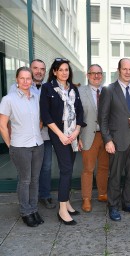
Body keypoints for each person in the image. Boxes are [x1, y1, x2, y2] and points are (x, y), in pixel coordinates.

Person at [98, 58, 130, 221]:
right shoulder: (109, 90)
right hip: (117, 142)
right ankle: (113, 206)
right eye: (124, 69)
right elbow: (102, 118)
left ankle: (128, 202)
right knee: (115, 175)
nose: (127, 72)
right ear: (118, 70)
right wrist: (108, 140)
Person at [40, 58, 84, 225]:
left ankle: (66, 202)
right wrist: (61, 135)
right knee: (66, 170)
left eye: (67, 69)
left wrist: (77, 132)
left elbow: (80, 112)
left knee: (69, 168)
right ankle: (62, 209)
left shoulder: (73, 88)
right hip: (59, 135)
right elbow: (46, 115)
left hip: (73, 135)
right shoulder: (47, 88)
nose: (64, 72)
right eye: (61, 69)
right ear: (54, 72)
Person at [0, 67, 44, 227]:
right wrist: (10, 145)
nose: (26, 81)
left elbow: (41, 120)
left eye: (28, 78)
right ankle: (26, 212)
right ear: (17, 80)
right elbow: (2, 125)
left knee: (35, 179)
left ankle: (33, 209)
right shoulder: (9, 99)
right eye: (22, 78)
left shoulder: (36, 97)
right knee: (25, 180)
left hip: (38, 144)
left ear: (32, 80)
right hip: (20, 146)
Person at [10, 59, 55, 209]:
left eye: (42, 69)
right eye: (35, 68)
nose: (39, 71)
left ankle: (45, 195)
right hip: (24, 139)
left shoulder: (48, 88)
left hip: (44, 136)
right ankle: (26, 202)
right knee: (26, 174)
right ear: (30, 69)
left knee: (46, 167)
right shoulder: (15, 89)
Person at [78, 64, 109, 212]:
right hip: (87, 135)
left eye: (99, 73)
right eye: (93, 73)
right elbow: (75, 116)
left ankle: (102, 193)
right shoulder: (79, 91)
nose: (96, 76)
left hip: (105, 136)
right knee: (88, 169)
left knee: (104, 167)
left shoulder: (108, 91)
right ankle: (86, 198)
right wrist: (77, 136)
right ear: (88, 75)